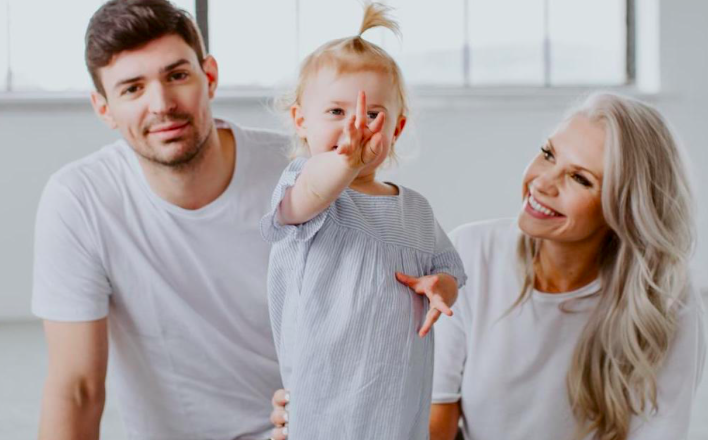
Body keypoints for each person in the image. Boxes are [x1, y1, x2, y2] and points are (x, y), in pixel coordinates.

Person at [32, 1, 287, 438]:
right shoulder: (79, 199)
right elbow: (76, 390)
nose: (162, 104)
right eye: (132, 88)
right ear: (104, 108)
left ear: (209, 76)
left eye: (177, 76)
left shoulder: (296, 172)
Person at [430, 93, 706, 440]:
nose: (542, 183)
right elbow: (435, 417)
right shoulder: (470, 254)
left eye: (580, 178)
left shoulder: (665, 298)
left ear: (622, 209)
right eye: (548, 155)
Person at [259, 3, 466, 440]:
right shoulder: (309, 187)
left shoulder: (415, 210)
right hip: (324, 403)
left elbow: (449, 267)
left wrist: (440, 286)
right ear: (301, 120)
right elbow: (311, 195)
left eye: (372, 115)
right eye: (336, 112)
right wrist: (343, 165)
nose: (355, 126)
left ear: (398, 128)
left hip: (397, 404)